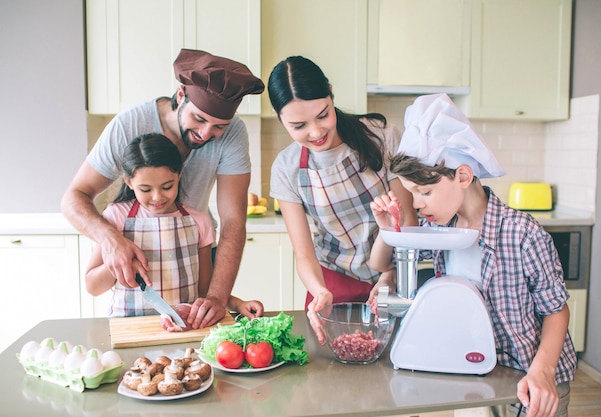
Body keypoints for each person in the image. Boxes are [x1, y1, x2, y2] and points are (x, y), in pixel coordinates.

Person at [370, 93, 576, 417]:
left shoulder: (522, 234)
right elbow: (380, 264)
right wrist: (387, 229)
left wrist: (543, 372)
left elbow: (556, 311)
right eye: (411, 193)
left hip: (531, 378)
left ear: (463, 176)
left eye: (424, 192)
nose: (418, 204)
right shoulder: (439, 229)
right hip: (476, 374)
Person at [61, 48, 265, 327]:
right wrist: (112, 242)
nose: (206, 134)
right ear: (181, 96)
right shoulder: (128, 125)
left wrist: (218, 298)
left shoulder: (232, 136)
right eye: (199, 119)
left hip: (189, 265)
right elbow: (73, 198)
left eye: (219, 126)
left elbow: (233, 221)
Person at [267, 56, 419, 344]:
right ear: (280, 119)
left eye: (323, 115)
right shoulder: (286, 168)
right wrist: (319, 290)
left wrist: (392, 274)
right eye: (299, 125)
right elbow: (304, 253)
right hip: (332, 285)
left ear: (332, 95)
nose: (316, 132)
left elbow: (408, 219)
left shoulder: (380, 136)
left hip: (393, 275)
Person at [84, 133, 264, 326]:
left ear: (179, 174)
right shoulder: (116, 217)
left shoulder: (199, 221)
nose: (157, 197)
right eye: (145, 189)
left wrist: (237, 303)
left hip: (183, 329)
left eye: (167, 186)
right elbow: (93, 286)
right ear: (128, 182)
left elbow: (204, 291)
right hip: (129, 328)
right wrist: (121, 265)